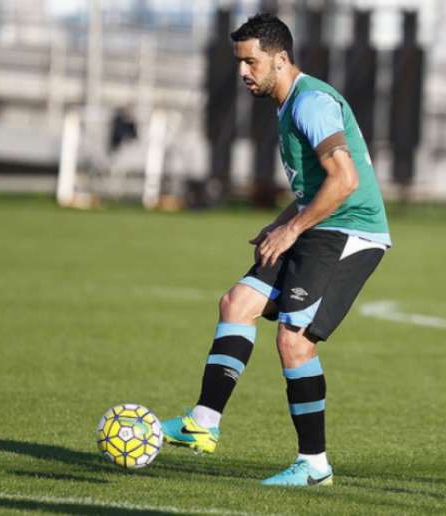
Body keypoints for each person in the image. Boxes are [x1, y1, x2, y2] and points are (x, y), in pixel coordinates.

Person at [161, 12, 391, 487]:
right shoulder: (289, 104)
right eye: (239, 62)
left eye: (251, 62)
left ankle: (314, 465)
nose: (243, 72)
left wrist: (292, 230)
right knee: (237, 303)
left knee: (294, 341)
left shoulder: (311, 103)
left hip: (351, 232)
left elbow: (345, 181)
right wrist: (283, 221)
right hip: (319, 224)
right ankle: (203, 424)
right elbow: (315, 188)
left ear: (280, 59)